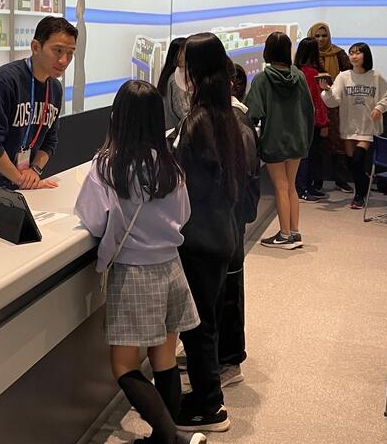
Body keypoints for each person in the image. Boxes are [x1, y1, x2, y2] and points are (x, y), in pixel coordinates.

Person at [74, 80, 206, 444]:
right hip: (171, 269)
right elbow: (183, 215)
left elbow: (93, 221)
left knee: (123, 366)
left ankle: (171, 437)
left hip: (134, 275)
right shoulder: (170, 166)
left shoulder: (106, 167)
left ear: (117, 118)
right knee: (164, 359)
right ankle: (166, 437)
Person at [172, 32, 246, 432]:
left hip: (199, 238)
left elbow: (187, 186)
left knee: (197, 326)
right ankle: (206, 395)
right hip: (220, 233)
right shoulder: (225, 115)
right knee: (206, 322)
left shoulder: (199, 120)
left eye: (186, 65)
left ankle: (209, 407)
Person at [0, 16, 77, 204]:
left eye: (70, 53)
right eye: (58, 51)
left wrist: (34, 170)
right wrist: (20, 178)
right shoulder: (4, 82)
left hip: (21, 183)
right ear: (36, 47)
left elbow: (50, 140)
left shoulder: (54, 88)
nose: (64, 60)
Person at [213, 56, 261, 388]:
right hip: (221, 222)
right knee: (219, 291)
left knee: (228, 290)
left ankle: (229, 360)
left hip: (225, 222)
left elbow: (239, 180)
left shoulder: (235, 122)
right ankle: (217, 354)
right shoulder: (224, 117)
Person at [245, 31, 313, 249]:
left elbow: (252, 112)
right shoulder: (299, 76)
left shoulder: (262, 79)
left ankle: (284, 235)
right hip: (297, 139)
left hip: (274, 140)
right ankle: (294, 231)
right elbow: (309, 109)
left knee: (281, 187)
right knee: (291, 186)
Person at [320, 43, 387, 210]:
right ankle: (365, 181)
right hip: (349, 125)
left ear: (366, 55)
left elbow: (386, 96)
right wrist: (327, 91)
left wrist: (379, 108)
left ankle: (359, 195)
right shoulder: (343, 76)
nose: (354, 56)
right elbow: (334, 101)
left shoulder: (375, 76)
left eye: (358, 53)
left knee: (359, 157)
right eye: (351, 53)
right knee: (352, 161)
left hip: (368, 125)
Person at [309, 22, 352, 193]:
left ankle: (341, 180)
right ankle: (316, 181)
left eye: (324, 35)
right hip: (314, 104)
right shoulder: (308, 53)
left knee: (338, 143)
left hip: (336, 104)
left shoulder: (339, 53)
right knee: (317, 145)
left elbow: (350, 75)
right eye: (317, 36)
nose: (321, 39)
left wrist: (334, 85)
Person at [293, 37, 329, 201]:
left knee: (304, 156)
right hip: (312, 121)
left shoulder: (295, 71)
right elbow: (317, 100)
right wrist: (324, 122)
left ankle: (304, 187)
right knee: (308, 156)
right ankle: (304, 188)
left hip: (298, 120)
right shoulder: (313, 73)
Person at [157, 37, 189, 130]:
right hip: (175, 130)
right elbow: (183, 113)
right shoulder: (176, 79)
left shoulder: (167, 72)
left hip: (167, 127)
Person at [72, 0, 88, 113]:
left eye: (77, 6)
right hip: (78, 70)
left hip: (79, 72)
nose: (75, 9)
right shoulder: (79, 25)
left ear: (81, 8)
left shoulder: (80, 26)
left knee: (77, 107)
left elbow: (78, 49)